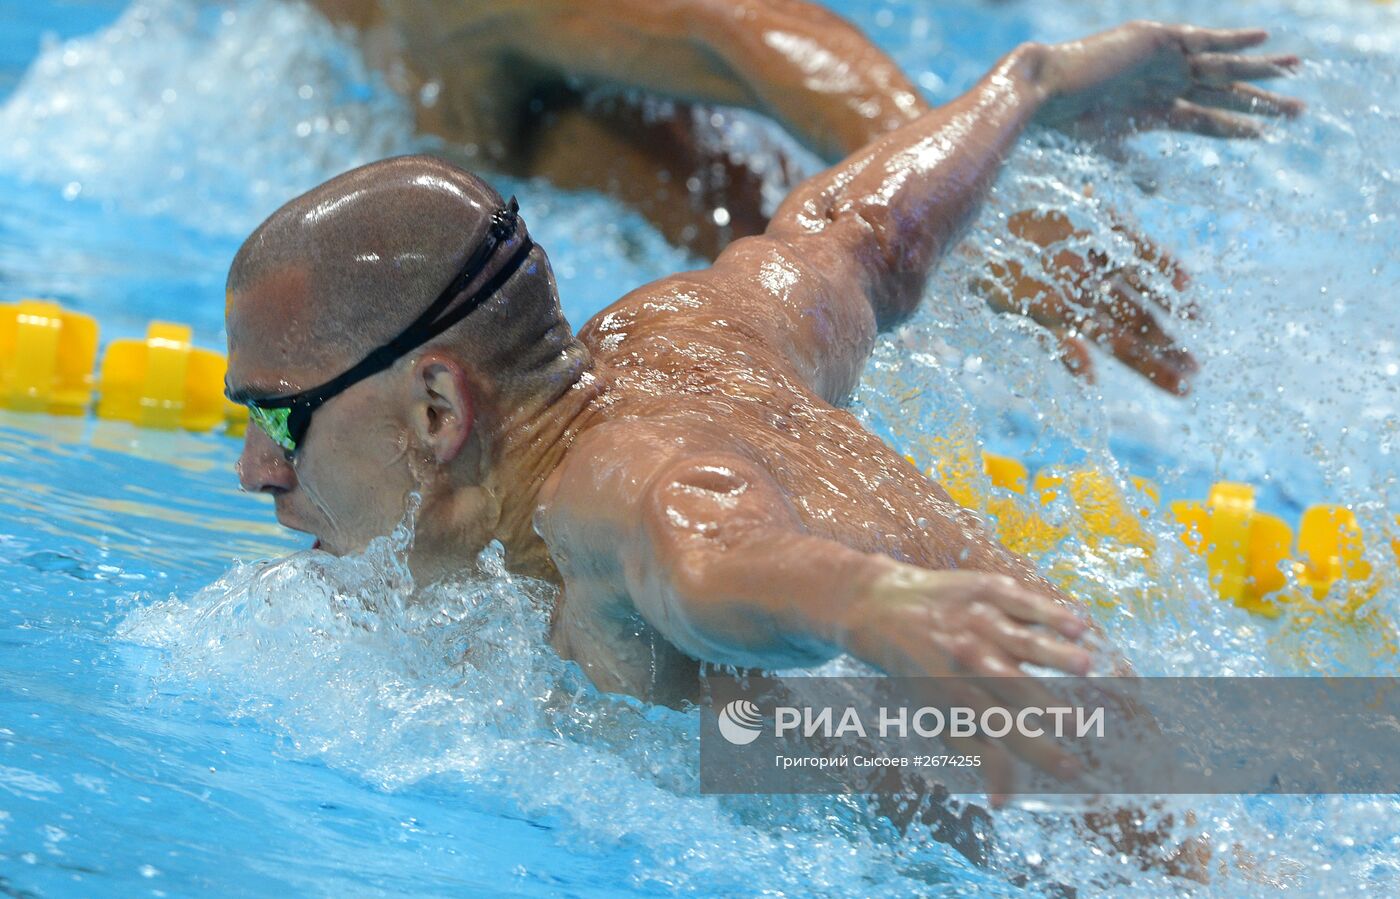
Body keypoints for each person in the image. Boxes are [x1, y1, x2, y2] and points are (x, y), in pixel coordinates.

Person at [225, 18, 1299, 877]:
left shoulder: (591, 488)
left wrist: (869, 605)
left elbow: (702, 547)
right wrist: (1022, 89)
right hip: (1139, 789)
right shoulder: (688, 328)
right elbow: (862, 235)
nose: (256, 469)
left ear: (435, 408)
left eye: (281, 418)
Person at [313, 0, 1205, 393]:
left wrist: (971, 204)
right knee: (718, 220)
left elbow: (741, 29)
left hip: (447, 58)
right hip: (458, 89)